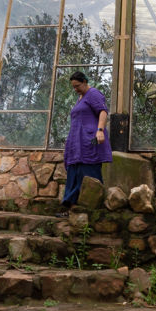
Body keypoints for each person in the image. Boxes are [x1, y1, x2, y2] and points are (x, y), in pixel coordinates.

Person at [57, 71, 112, 217]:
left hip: (89, 140)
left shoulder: (93, 94)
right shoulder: (80, 98)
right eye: (73, 87)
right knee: (74, 172)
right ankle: (70, 208)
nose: (75, 89)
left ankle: (92, 209)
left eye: (77, 86)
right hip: (77, 143)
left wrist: (100, 130)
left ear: (85, 82)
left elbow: (103, 112)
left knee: (88, 171)